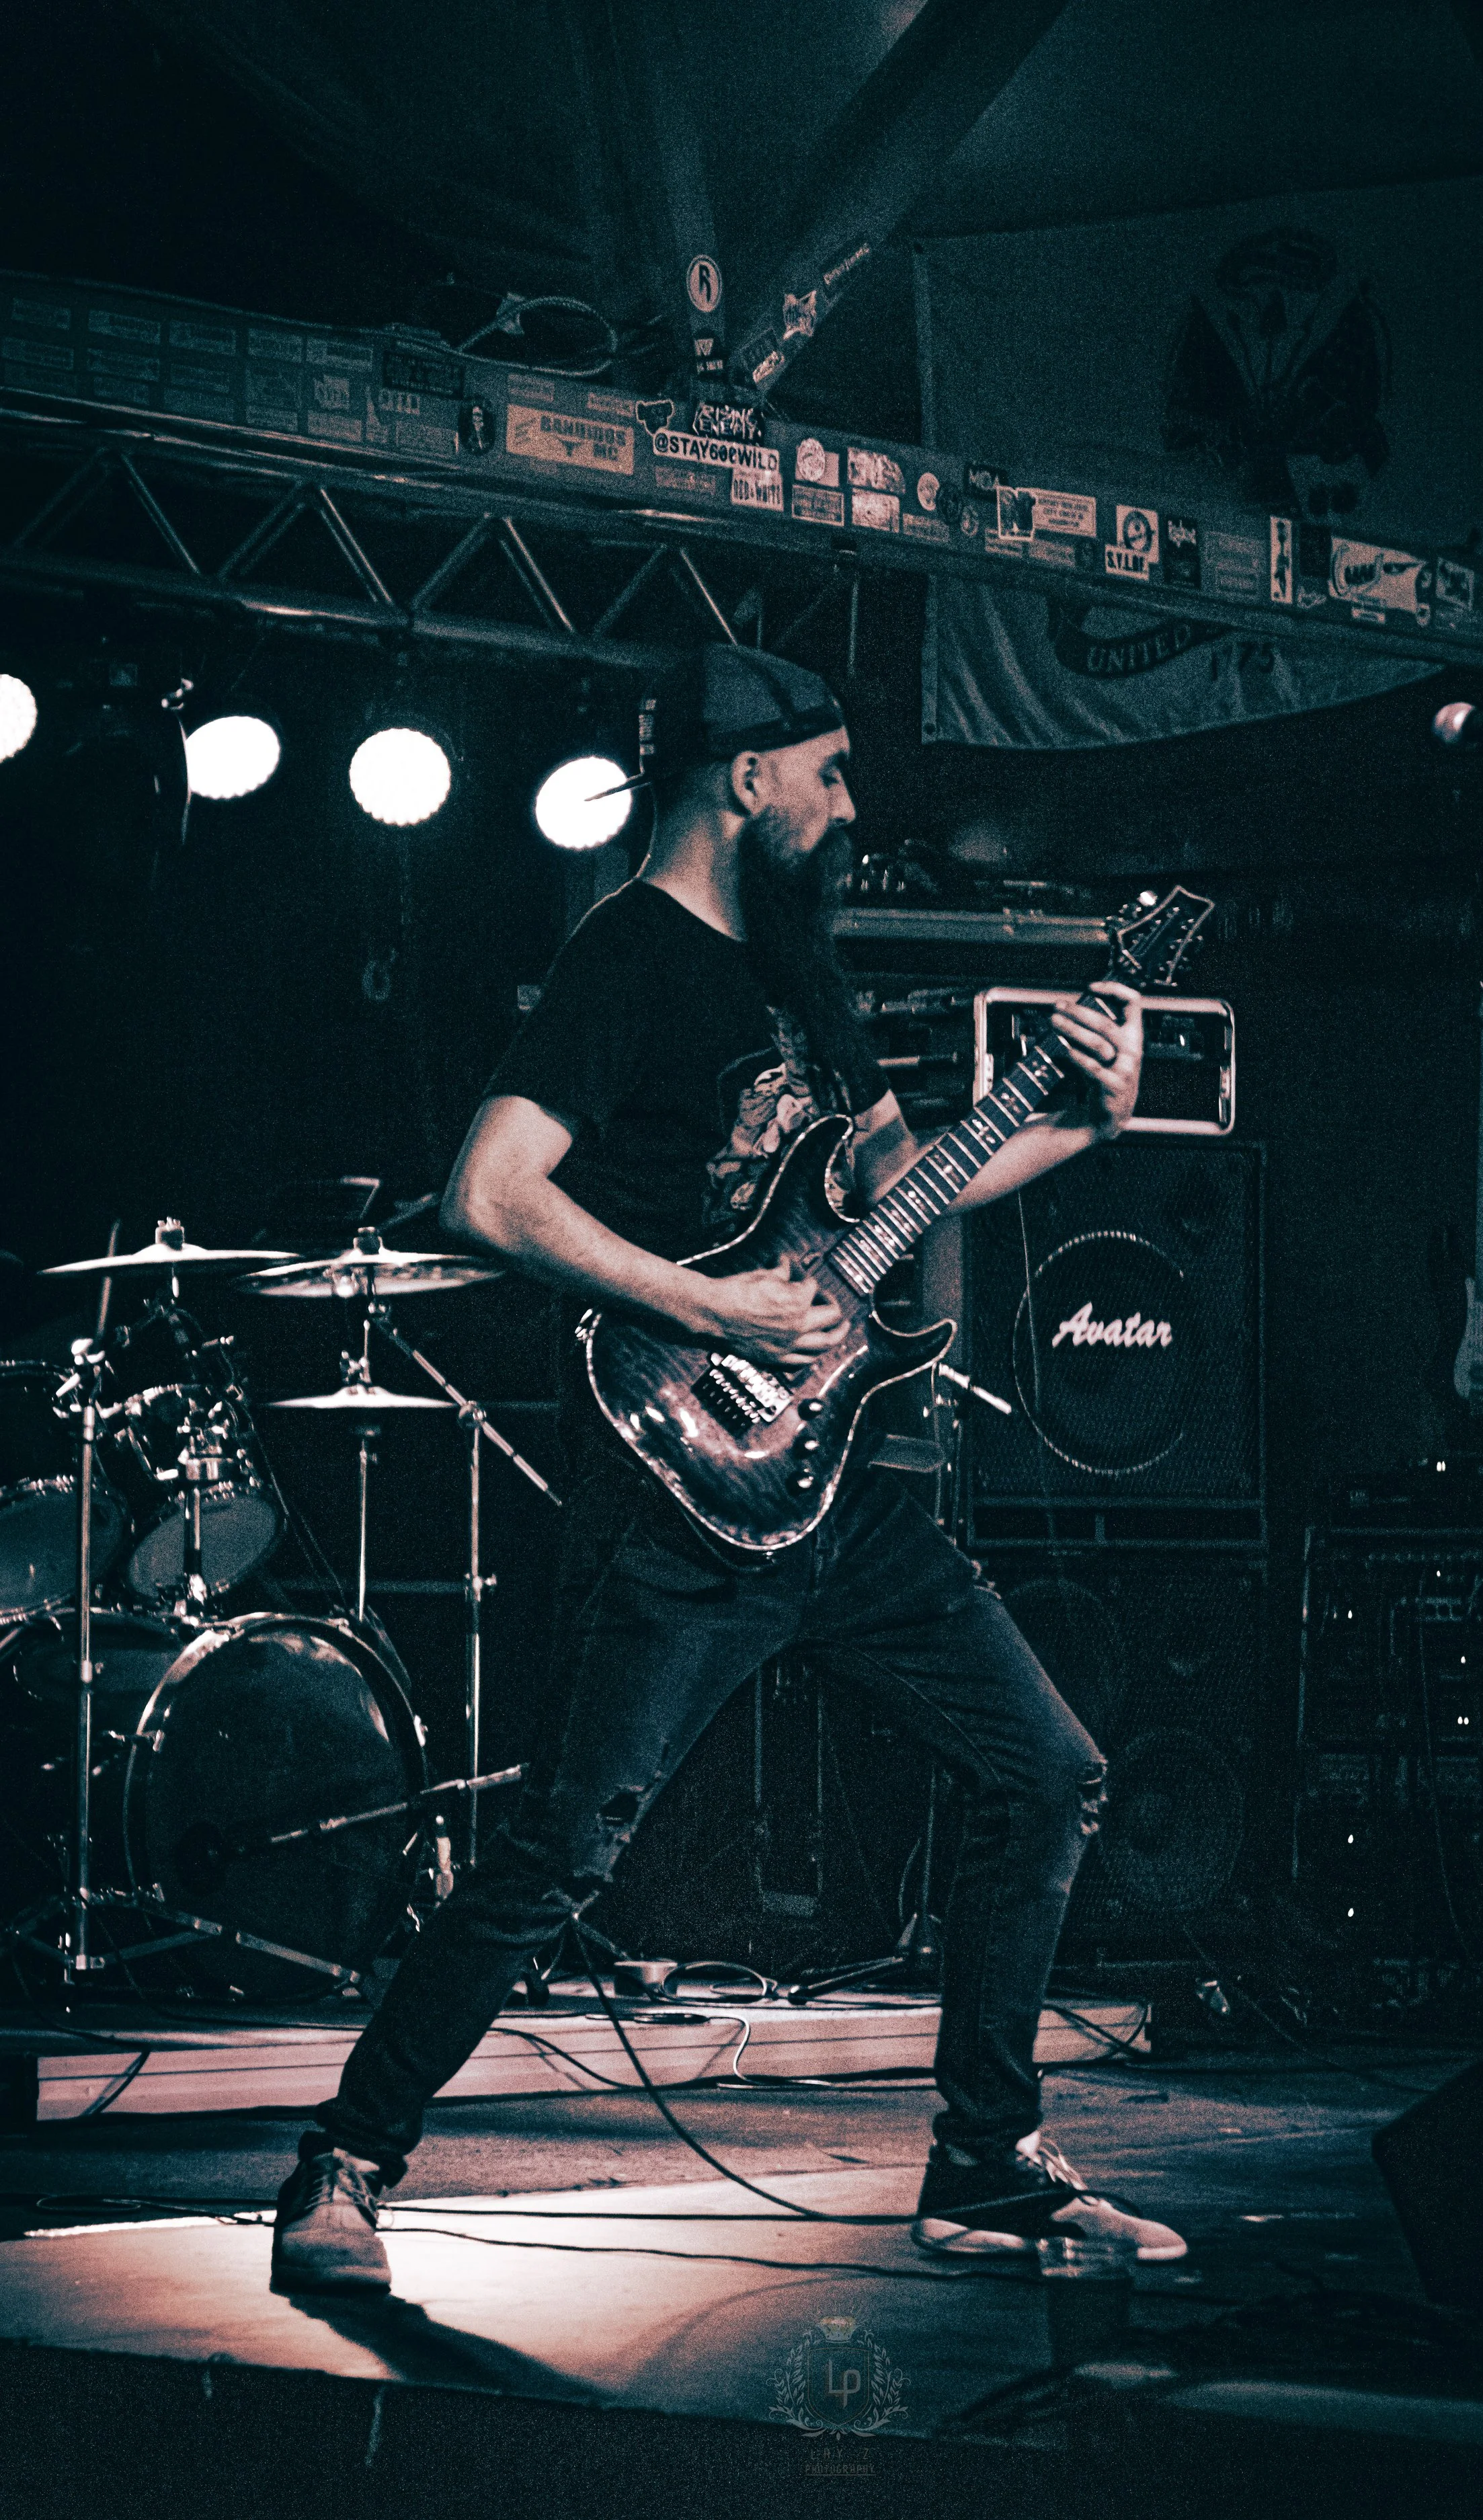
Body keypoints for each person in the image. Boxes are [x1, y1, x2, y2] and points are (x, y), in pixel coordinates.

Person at [271, 647, 1187, 2293]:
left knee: (1047, 1770)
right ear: (744, 776)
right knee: (563, 1849)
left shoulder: (804, 971)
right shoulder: (626, 960)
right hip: (681, 1481)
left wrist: (1079, 1112)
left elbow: (903, 1188)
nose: (846, 809)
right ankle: (342, 2159)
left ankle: (982, 2159)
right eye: (827, 774)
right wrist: (703, 1296)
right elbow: (490, 1190)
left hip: (838, 1480)